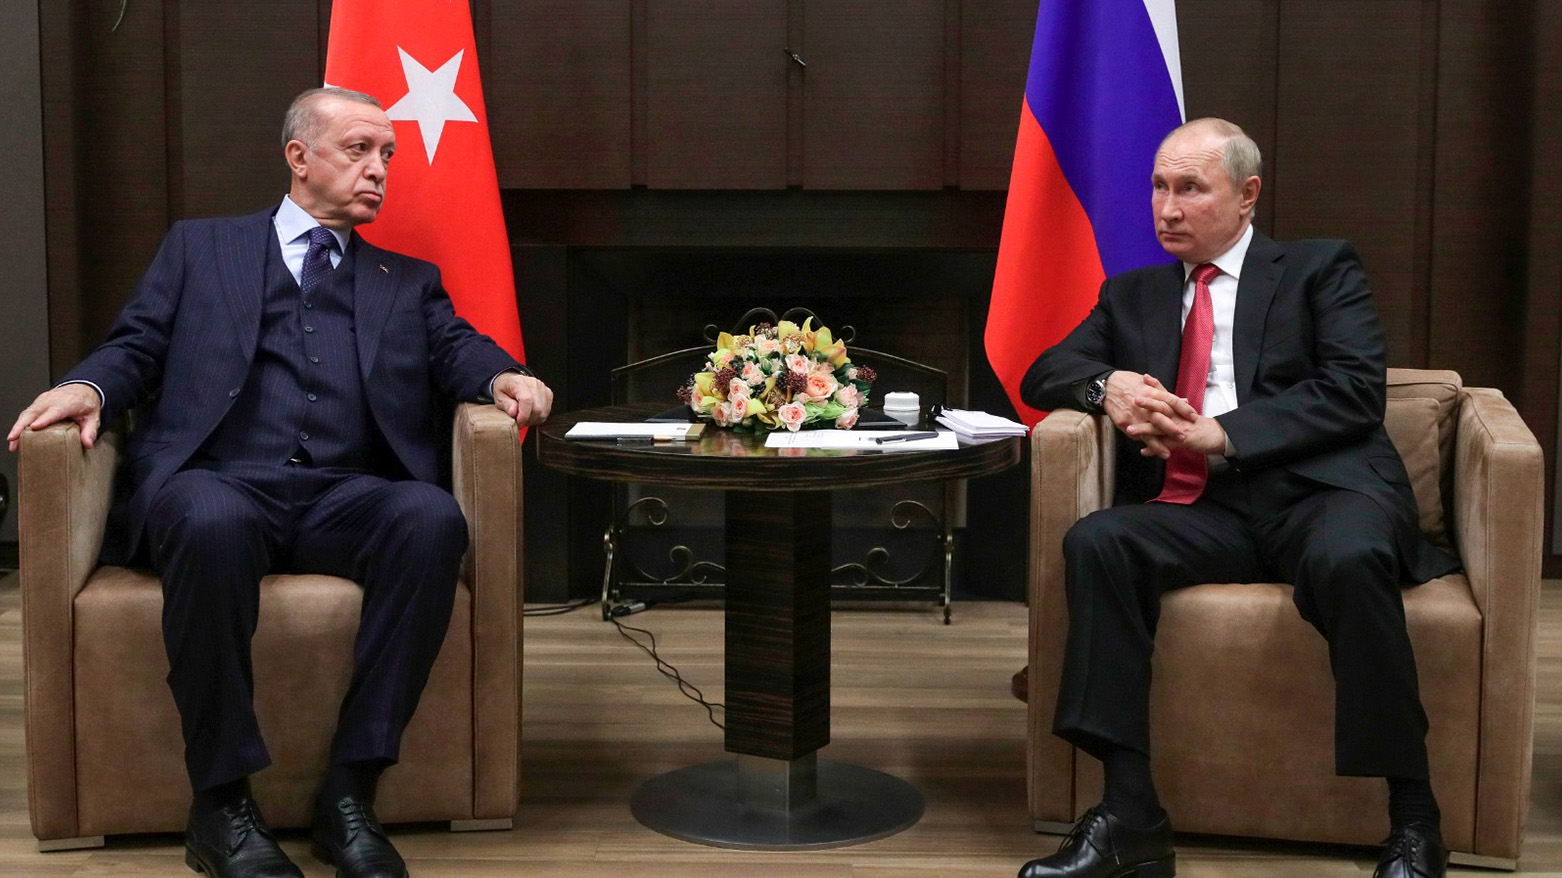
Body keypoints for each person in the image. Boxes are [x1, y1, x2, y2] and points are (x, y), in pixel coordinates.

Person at [7, 87, 552, 878]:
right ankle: (221, 804)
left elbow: (459, 349)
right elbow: (137, 344)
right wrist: (88, 389)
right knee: (208, 518)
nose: (378, 171)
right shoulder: (202, 249)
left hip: (344, 495)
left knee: (431, 519)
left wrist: (506, 377)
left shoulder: (407, 280)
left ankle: (350, 793)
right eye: (359, 150)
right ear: (300, 158)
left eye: (388, 156)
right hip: (220, 483)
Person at [1016, 118, 1458, 878]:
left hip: (1322, 493)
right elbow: (1043, 373)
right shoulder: (1133, 295)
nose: (1168, 207)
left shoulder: (1320, 270)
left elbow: (1352, 393)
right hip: (1204, 511)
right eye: (1159, 186)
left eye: (1191, 187)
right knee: (1098, 541)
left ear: (1247, 196)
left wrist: (1222, 435)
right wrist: (1105, 383)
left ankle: (1415, 821)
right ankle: (1131, 818)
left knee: (1350, 559)